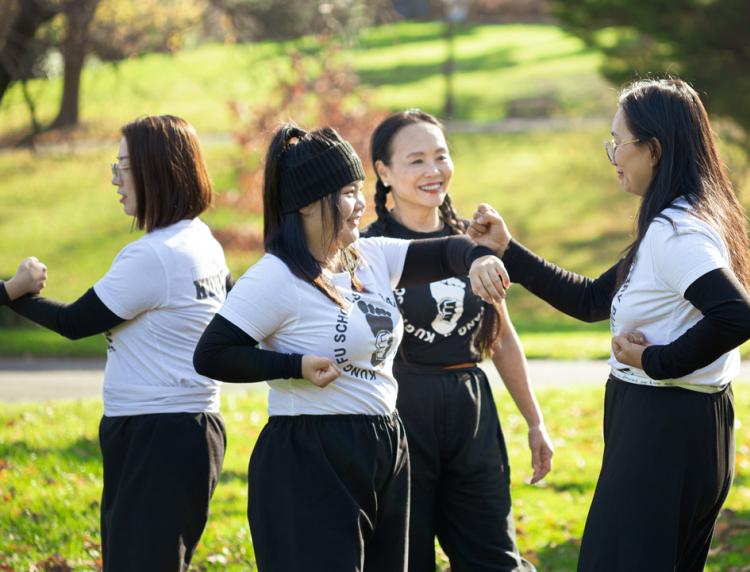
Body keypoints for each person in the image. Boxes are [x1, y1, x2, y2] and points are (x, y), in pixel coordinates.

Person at [468, 78, 750, 571]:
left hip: (665, 430)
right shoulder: (676, 221)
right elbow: (591, 299)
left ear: (655, 149)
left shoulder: (677, 233)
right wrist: (508, 252)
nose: (613, 156)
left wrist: (655, 361)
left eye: (618, 142)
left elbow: (736, 316)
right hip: (676, 425)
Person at [192, 123, 511, 572]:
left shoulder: (369, 257)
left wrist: (479, 259)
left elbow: (447, 252)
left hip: (385, 444)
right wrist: (295, 365)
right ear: (306, 203)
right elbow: (212, 354)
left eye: (360, 188)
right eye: (347, 192)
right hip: (312, 453)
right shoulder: (276, 276)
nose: (361, 203)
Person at [6, 115, 229, 571]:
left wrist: (15, 291)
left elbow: (74, 322)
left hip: (157, 435)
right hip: (185, 431)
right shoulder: (200, 239)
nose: (113, 177)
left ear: (156, 171)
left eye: (123, 165)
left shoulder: (154, 255)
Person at [363, 109, 552, 572]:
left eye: (441, 156)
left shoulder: (472, 243)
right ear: (384, 172)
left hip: (471, 411)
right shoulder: (368, 251)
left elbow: (501, 337)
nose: (433, 171)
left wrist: (534, 421)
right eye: (416, 160)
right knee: (406, 559)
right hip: (399, 414)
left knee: (494, 557)